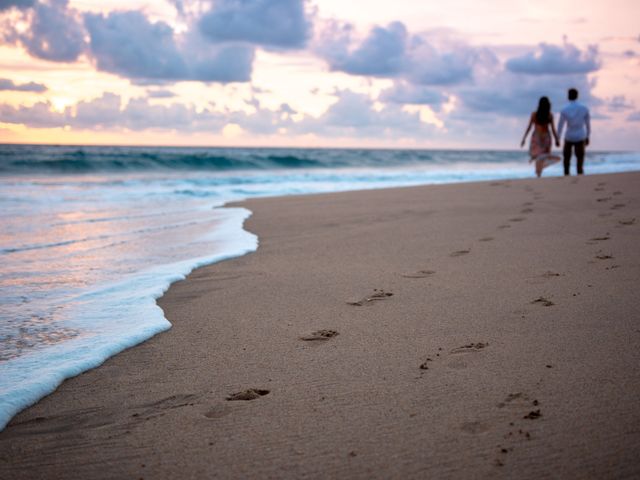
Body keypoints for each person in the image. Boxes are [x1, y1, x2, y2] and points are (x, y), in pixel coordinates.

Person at [521, 96, 560, 177]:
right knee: (542, 156)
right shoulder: (549, 115)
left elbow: (529, 127)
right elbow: (553, 129)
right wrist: (556, 139)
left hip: (536, 137)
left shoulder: (534, 114)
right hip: (546, 137)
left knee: (539, 156)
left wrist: (524, 138)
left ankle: (538, 173)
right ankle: (538, 172)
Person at [558, 88, 591, 175]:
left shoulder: (564, 109)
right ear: (577, 96)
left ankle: (566, 175)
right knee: (580, 159)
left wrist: (558, 138)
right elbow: (587, 124)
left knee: (566, 159)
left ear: (569, 96)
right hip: (580, 135)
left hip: (569, 136)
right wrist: (588, 136)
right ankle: (580, 174)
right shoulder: (584, 108)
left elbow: (560, 125)